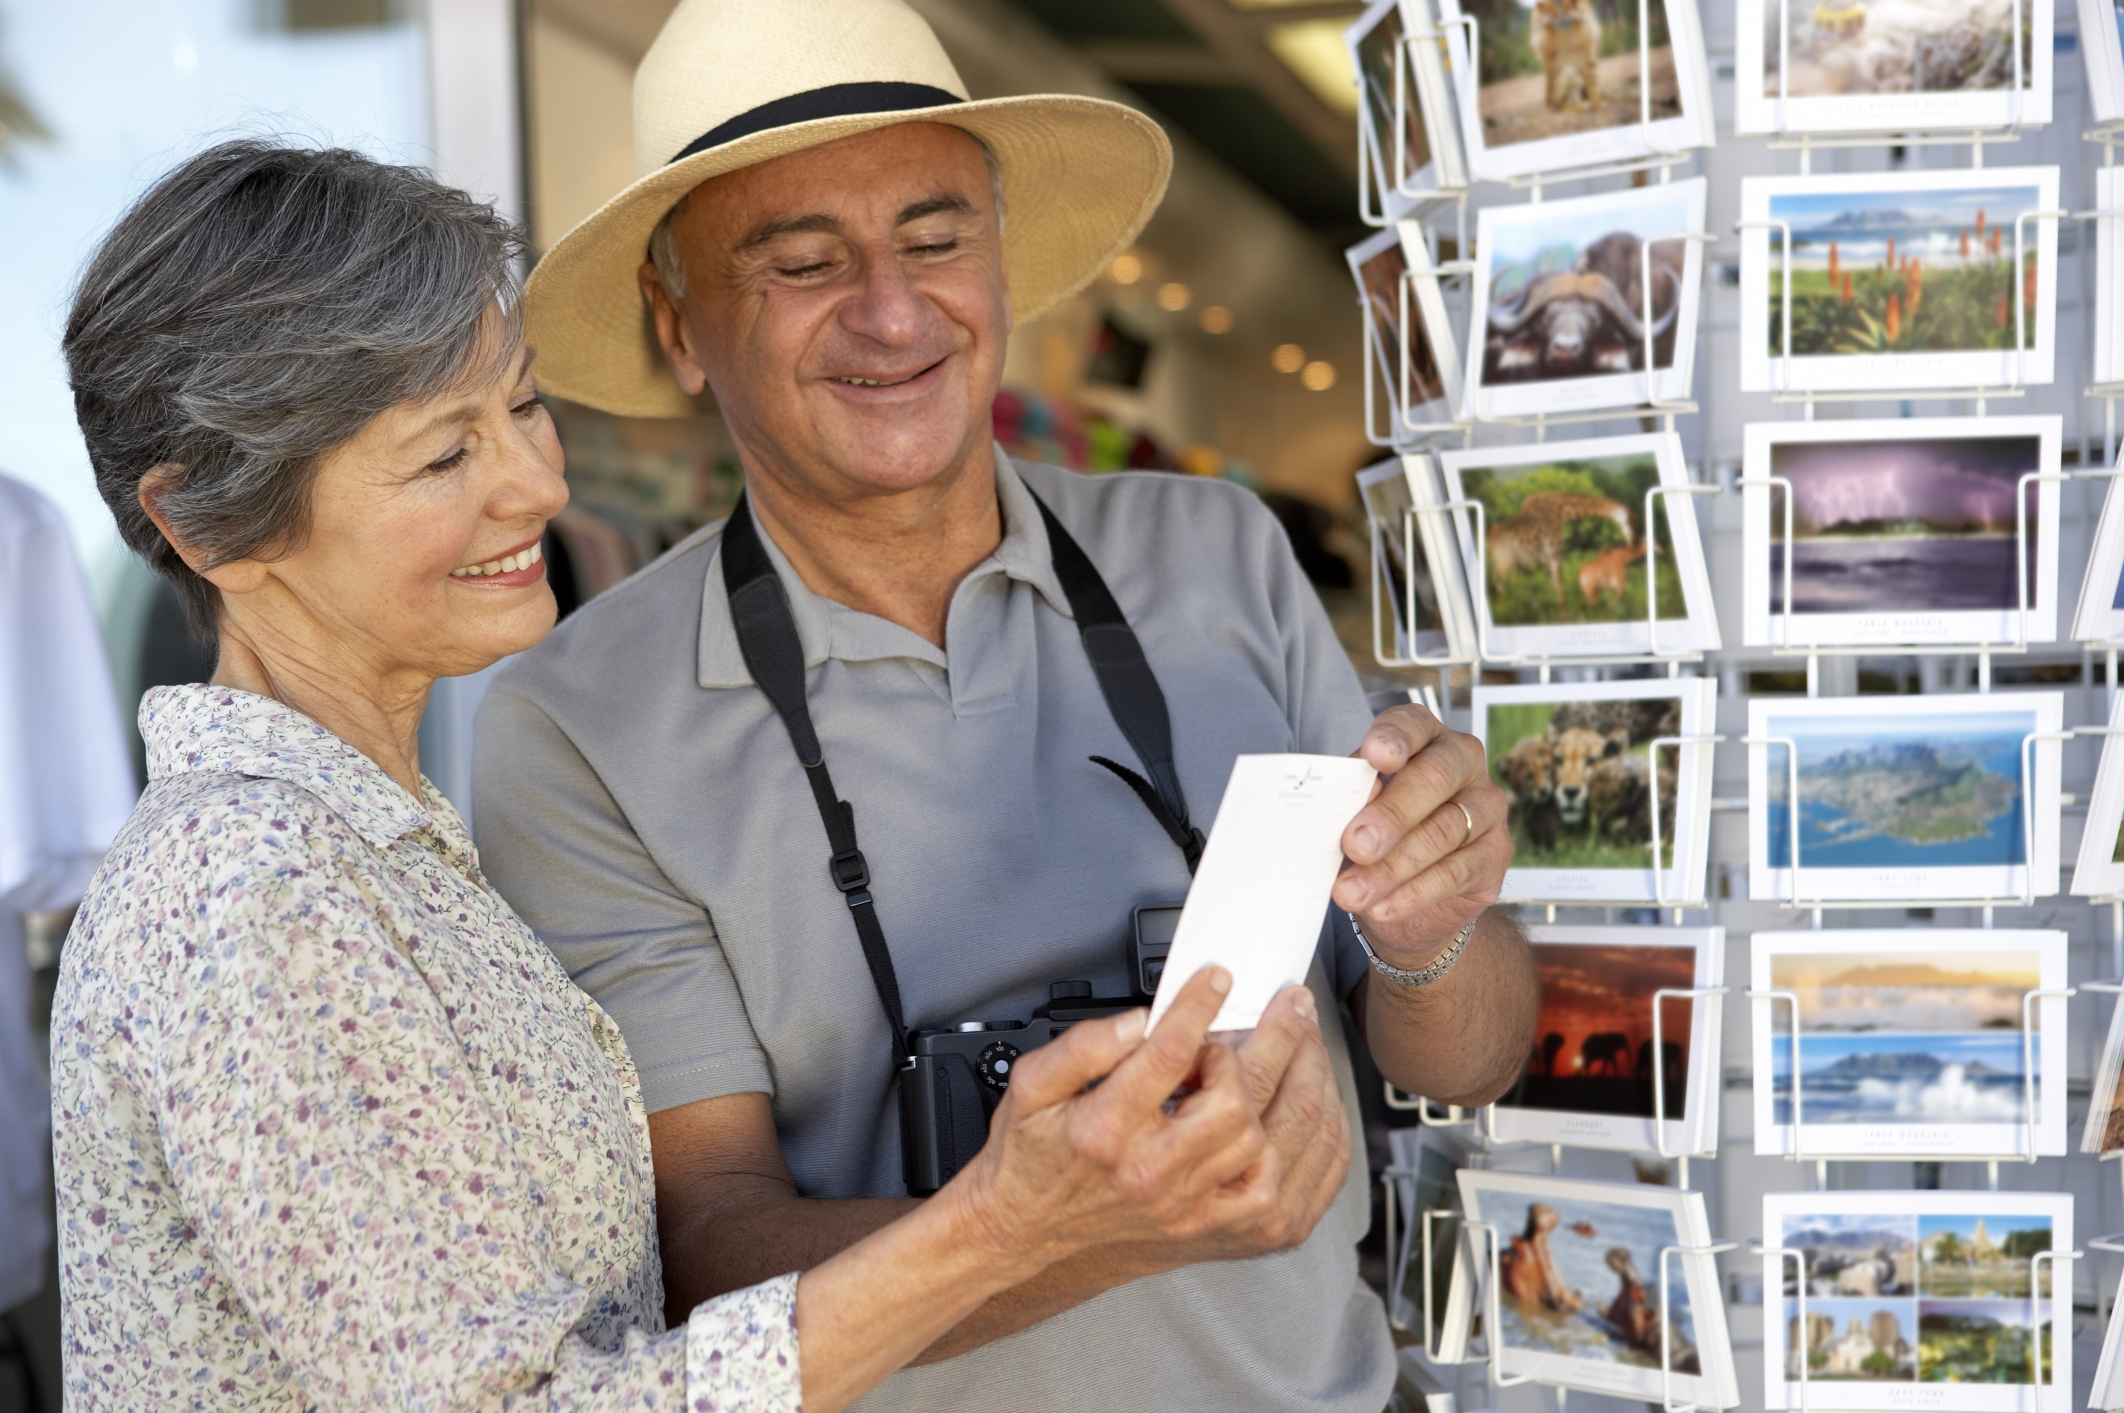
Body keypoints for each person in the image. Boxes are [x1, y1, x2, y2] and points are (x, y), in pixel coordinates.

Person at [49, 139, 1311, 1413]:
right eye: (445, 456)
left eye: (525, 407)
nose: (539, 484)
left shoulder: (364, 846)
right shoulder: (259, 895)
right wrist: (1010, 1226)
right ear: (206, 525)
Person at [478, 0, 1541, 1408]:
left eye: (935, 240)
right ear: (681, 328)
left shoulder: (1216, 554)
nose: (894, 311)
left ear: (997, 256)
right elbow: (703, 1255)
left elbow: (1467, 1060)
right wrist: (1070, 1220)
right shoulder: (578, 721)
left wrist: (1434, 925)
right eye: (803, 262)